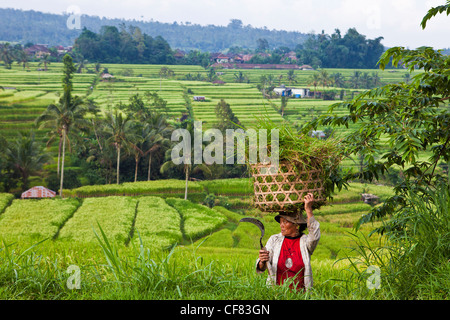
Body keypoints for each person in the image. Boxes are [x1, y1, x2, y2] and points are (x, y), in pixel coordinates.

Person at [256, 193, 320, 291]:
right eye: (281, 222)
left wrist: (308, 209)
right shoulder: (274, 240)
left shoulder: (305, 242)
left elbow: (315, 236)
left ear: (296, 225)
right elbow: (262, 267)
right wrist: (262, 261)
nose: (281, 225)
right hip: (277, 295)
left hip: (301, 296)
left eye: (285, 222)